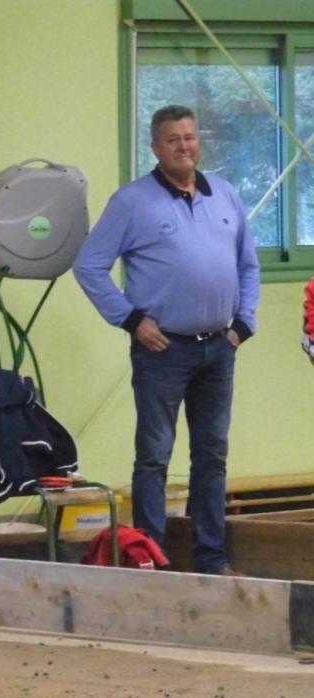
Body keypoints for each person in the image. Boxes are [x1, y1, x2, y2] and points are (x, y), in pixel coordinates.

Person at [73, 104, 260, 575]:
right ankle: (150, 560)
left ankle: (212, 559)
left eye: (190, 137)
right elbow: (89, 265)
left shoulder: (226, 195)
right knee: (154, 456)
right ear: (155, 147)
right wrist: (131, 319)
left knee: (212, 456)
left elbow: (248, 265)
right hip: (163, 351)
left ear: (200, 142)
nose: (184, 146)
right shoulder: (132, 202)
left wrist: (244, 323)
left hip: (219, 349)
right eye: (173, 139)